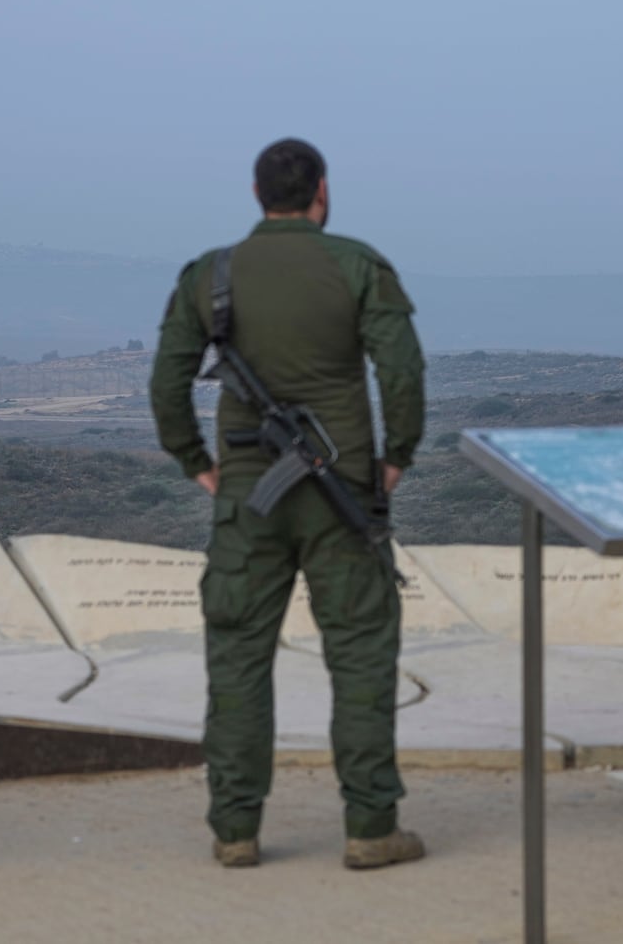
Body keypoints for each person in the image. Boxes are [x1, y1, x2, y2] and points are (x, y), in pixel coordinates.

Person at [149, 139, 427, 870]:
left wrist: (197, 464)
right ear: (322, 192)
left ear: (256, 192)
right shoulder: (358, 264)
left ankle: (235, 828)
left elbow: (166, 380)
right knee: (362, 655)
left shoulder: (211, 275)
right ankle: (371, 825)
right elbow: (401, 367)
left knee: (238, 656)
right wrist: (396, 457)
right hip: (344, 497)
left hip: (250, 498)